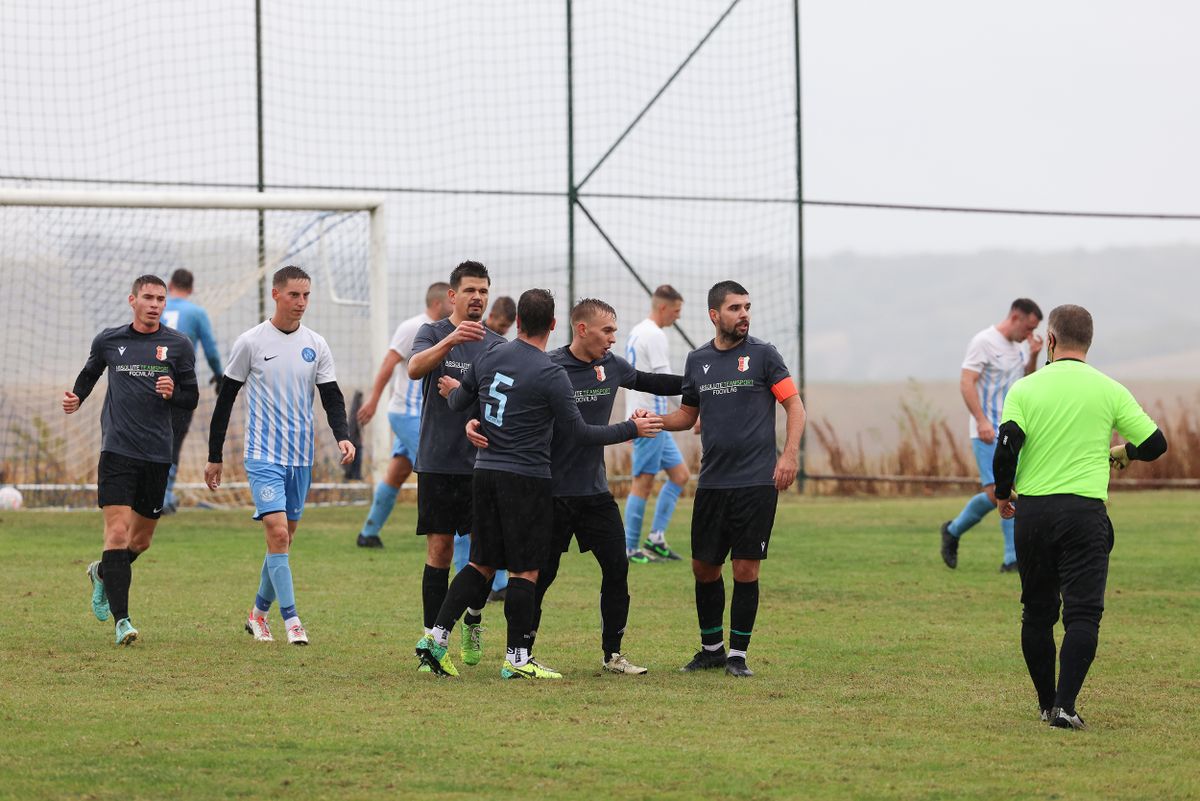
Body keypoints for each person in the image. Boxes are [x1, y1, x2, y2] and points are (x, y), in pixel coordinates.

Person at [416, 289, 662, 679]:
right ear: (553, 324)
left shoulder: (490, 355)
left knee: (480, 563)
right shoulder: (551, 372)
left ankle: (435, 637)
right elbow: (578, 432)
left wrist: (468, 416)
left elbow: (460, 402)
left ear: (516, 321)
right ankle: (517, 660)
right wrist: (632, 427)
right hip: (526, 478)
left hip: (484, 474)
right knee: (526, 571)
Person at [993, 304, 1166, 730]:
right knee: (1083, 616)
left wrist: (1002, 494)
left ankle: (1045, 703)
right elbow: (1156, 443)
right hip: (1085, 514)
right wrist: (1125, 451)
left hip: (1033, 512)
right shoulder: (1109, 389)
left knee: (1037, 613)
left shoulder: (1026, 389)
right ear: (1088, 343)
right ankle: (1066, 707)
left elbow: (1006, 448)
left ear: (1050, 340)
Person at [658, 281, 805, 678]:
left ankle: (738, 654)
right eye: (735, 308)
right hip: (712, 484)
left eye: (747, 307)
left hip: (756, 483)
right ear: (714, 315)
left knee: (745, 569)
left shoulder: (763, 356)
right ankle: (711, 650)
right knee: (704, 568)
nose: (744, 314)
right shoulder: (698, 360)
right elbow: (688, 417)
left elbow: (794, 406)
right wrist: (654, 422)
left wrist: (788, 456)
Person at [204, 266, 355, 645]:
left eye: (306, 295)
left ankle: (257, 614)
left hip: (300, 458)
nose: (301, 302)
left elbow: (332, 396)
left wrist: (343, 436)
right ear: (276, 294)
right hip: (262, 455)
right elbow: (225, 400)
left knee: (282, 542)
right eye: (294, 295)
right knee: (277, 531)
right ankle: (292, 622)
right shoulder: (251, 342)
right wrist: (214, 454)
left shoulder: (316, 344)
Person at [65, 274, 199, 646]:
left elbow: (192, 397)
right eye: (149, 298)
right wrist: (77, 397)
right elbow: (90, 373)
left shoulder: (178, 345)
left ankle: (103, 573)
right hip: (117, 450)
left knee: (139, 542)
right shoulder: (110, 340)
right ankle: (123, 621)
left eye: (161, 299)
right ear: (132, 300)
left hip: (157, 453)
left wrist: (174, 392)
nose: (155, 304)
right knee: (117, 533)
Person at [406, 261, 505, 668]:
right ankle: (434, 643)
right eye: (470, 290)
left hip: (484, 463)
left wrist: (465, 396)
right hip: (437, 459)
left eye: (483, 290)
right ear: (453, 295)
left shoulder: (498, 344)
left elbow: (500, 401)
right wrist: (449, 343)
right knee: (440, 549)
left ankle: (474, 620)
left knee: (484, 554)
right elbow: (413, 369)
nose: (477, 297)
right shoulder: (433, 334)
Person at [940, 298, 1043, 572]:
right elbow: (966, 382)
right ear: (1015, 317)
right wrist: (981, 420)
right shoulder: (983, 342)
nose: (1029, 334)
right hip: (987, 431)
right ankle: (956, 532)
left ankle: (1009, 557)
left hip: (1013, 429)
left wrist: (1033, 354)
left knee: (1009, 491)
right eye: (1029, 327)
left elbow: (1025, 381)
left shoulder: (1020, 347)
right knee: (997, 492)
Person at [353, 282, 452, 548]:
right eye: (450, 301)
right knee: (441, 469)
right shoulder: (414, 328)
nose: (455, 306)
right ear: (437, 303)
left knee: (397, 473)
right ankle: (450, 530)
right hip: (406, 414)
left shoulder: (445, 331)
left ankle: (368, 533)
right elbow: (388, 363)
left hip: (420, 415)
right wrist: (373, 401)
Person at [623, 285, 689, 563]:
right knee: (643, 483)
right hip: (649, 420)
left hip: (653, 421)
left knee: (680, 476)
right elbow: (666, 383)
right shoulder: (655, 335)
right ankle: (628, 548)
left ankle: (655, 538)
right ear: (663, 307)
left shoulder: (638, 331)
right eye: (676, 311)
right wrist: (691, 412)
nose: (677, 317)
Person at [160, 268, 225, 513]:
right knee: (172, 442)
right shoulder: (197, 313)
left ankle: (143, 494)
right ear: (192, 288)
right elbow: (210, 350)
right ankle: (163, 497)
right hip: (179, 387)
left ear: (169, 284)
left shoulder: (157, 306)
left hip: (147, 383)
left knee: (147, 438)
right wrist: (220, 376)